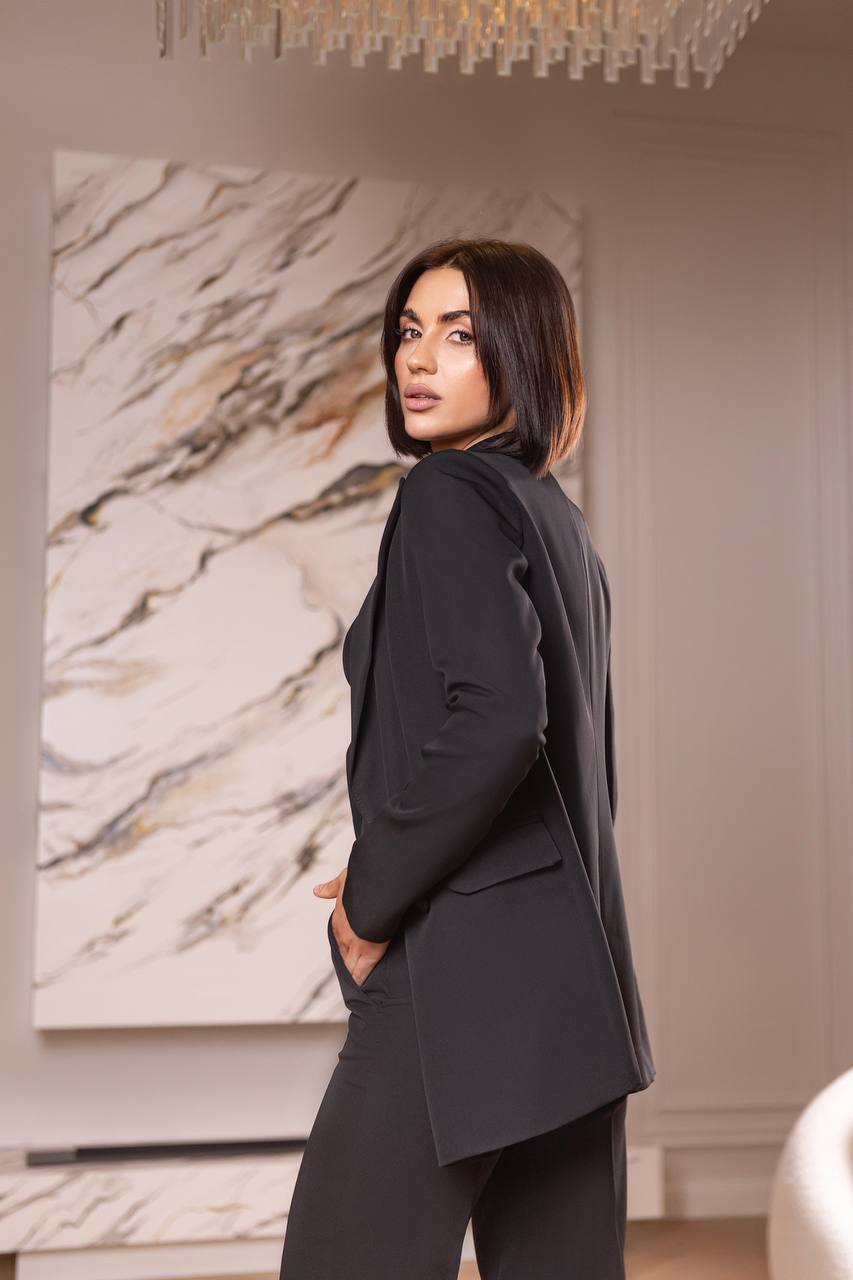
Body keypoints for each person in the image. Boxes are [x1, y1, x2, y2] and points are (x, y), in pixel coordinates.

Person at [278, 237, 655, 1280]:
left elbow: (498, 720)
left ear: (519, 355)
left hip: (459, 969)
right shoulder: (557, 519)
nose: (419, 359)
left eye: (458, 334)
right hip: (573, 985)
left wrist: (369, 898)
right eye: (409, 331)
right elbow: (580, 775)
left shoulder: (446, 495)